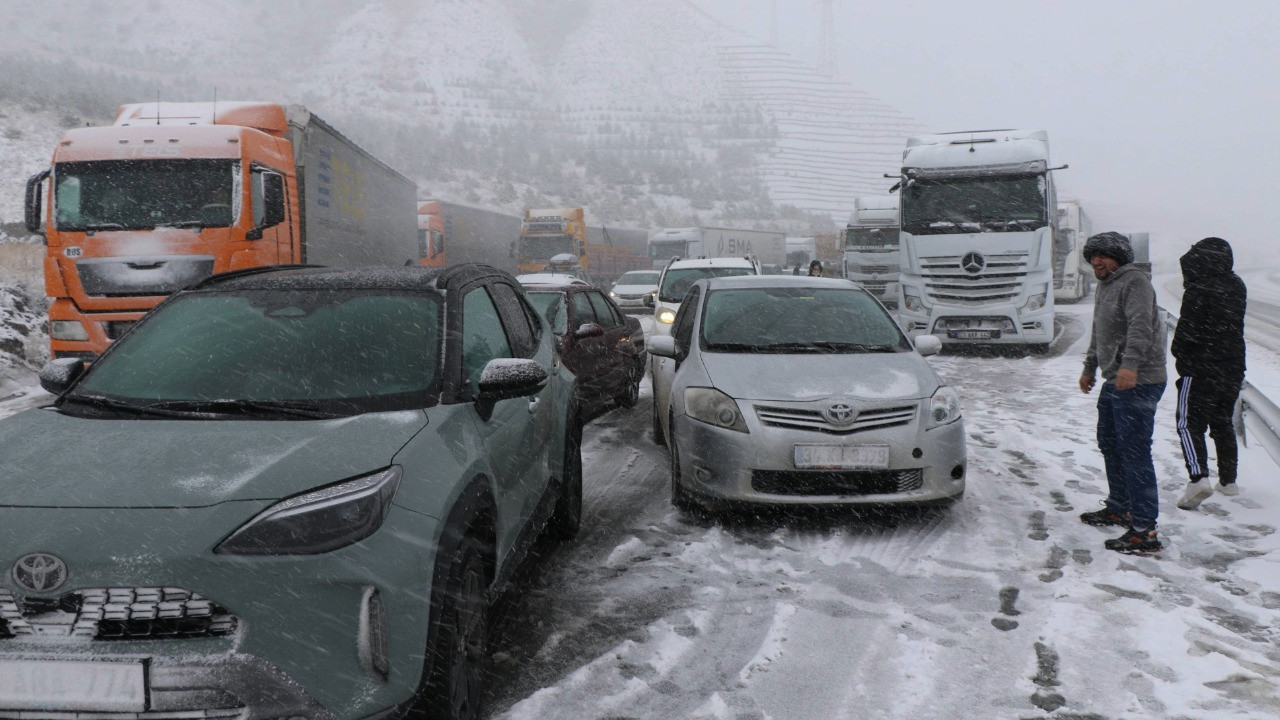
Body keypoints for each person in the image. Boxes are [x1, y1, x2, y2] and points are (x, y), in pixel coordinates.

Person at [1077, 231, 1167, 553]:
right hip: (1115, 379)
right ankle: (1120, 506)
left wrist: (1130, 365)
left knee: (1134, 452)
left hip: (1139, 380)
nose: (1096, 262)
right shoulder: (1105, 285)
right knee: (1111, 444)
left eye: (1103, 256)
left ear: (1119, 258)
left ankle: (1144, 530)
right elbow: (1099, 331)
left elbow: (1141, 326)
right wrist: (1090, 367)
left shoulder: (1134, 282)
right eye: (1092, 257)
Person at [1172, 237, 1247, 510]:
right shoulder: (1237, 285)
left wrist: (1179, 353)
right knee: (1222, 423)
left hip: (1200, 367)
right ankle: (1228, 482)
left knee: (1187, 423)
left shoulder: (1198, 288)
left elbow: (1187, 331)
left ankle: (1197, 478)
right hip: (1233, 366)